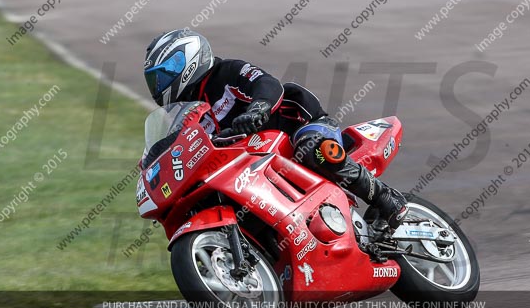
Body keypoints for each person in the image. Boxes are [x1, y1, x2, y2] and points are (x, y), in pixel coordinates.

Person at [143, 29, 408, 229]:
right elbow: (174, 146)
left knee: (314, 151)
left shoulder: (225, 73)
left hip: (297, 125)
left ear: (185, 61)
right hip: (257, 157)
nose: (158, 85)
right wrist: (149, 167)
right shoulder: (190, 113)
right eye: (153, 80)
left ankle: (386, 198)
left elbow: (267, 84)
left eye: (162, 76)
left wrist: (258, 109)